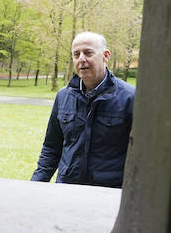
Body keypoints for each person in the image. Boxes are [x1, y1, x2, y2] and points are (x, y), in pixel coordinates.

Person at [31, 31, 135, 188]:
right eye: (76, 54)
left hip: (108, 193)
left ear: (106, 56)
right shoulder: (63, 96)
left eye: (88, 53)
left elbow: (141, 156)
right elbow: (51, 149)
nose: (81, 59)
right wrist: (34, 187)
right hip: (67, 190)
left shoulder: (130, 98)